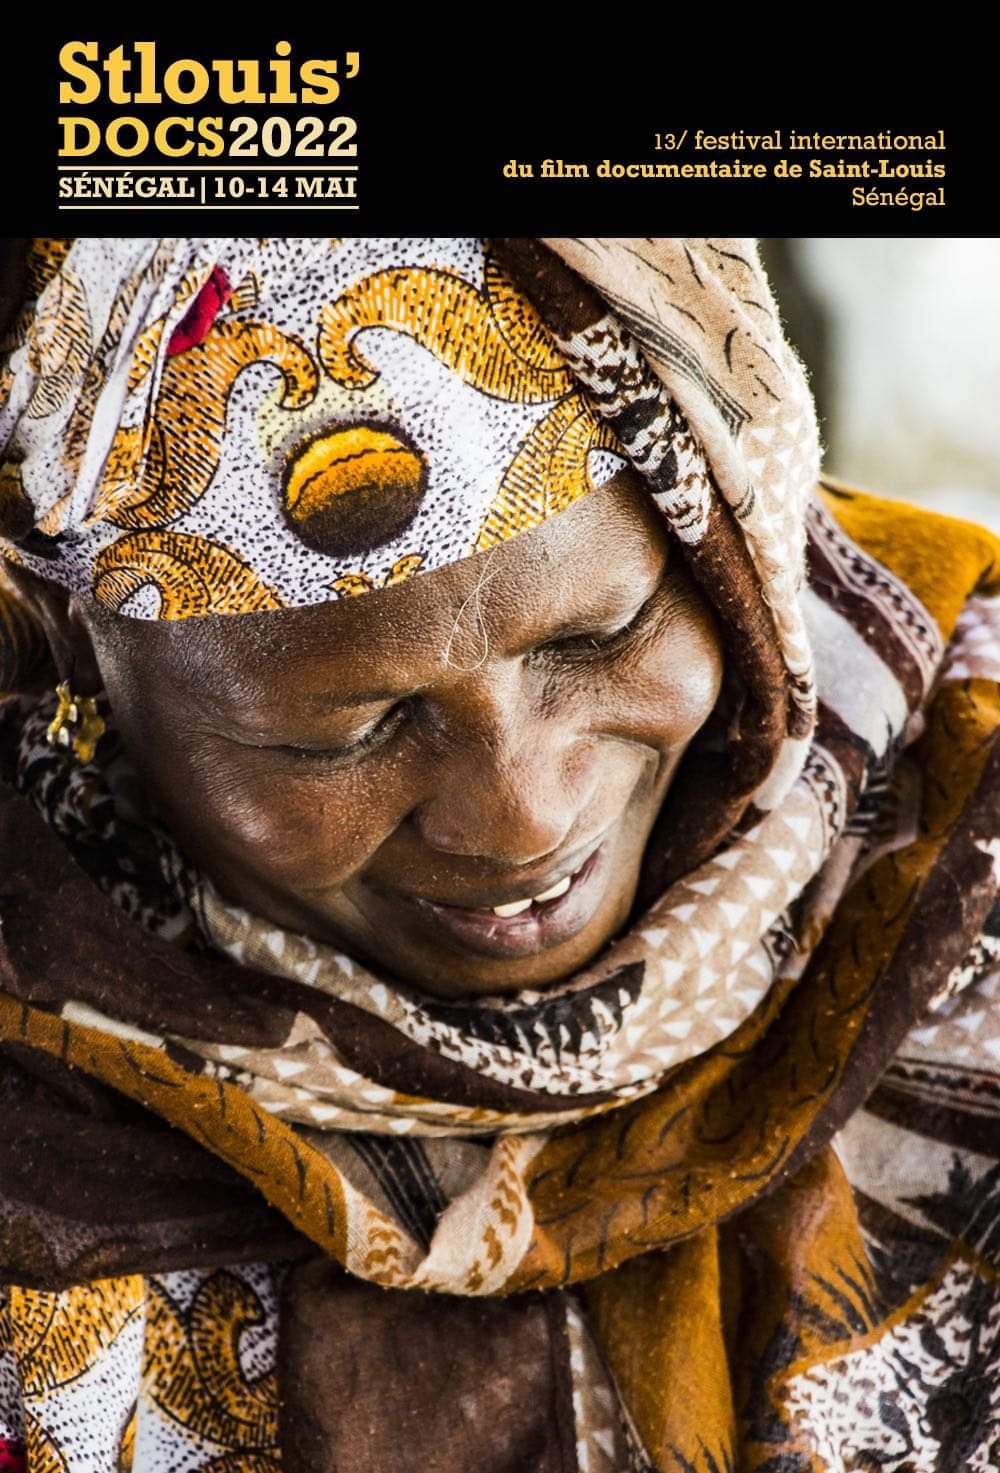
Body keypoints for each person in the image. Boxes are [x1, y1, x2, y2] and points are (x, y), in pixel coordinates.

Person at [0, 236, 998, 1473]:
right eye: (349, 734)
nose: (520, 818)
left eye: (598, 637)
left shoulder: (967, 834)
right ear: (77, 661)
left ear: (734, 545)